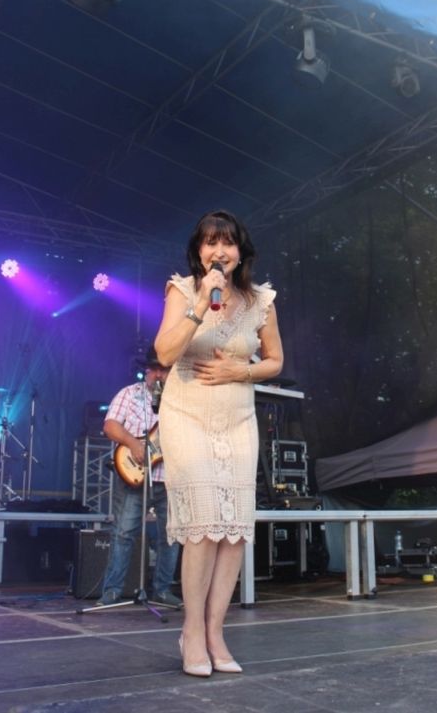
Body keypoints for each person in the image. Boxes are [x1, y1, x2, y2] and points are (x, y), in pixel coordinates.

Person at [155, 209, 283, 676]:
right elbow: (165, 353)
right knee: (205, 524)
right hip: (187, 413)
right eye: (211, 242)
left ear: (240, 251)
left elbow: (275, 361)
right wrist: (199, 304)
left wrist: (239, 371)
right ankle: (191, 631)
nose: (219, 250)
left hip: (237, 418)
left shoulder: (260, 300)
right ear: (199, 251)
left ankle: (215, 632)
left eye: (227, 242)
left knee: (233, 532)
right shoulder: (182, 290)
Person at [98, 347, 182, 609]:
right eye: (154, 369)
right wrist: (133, 443)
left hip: (170, 478)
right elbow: (110, 425)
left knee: (171, 536)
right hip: (133, 475)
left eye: (164, 370)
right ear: (147, 370)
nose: (158, 374)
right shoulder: (129, 394)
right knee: (123, 533)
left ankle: (162, 590)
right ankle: (112, 591)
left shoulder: (181, 400)